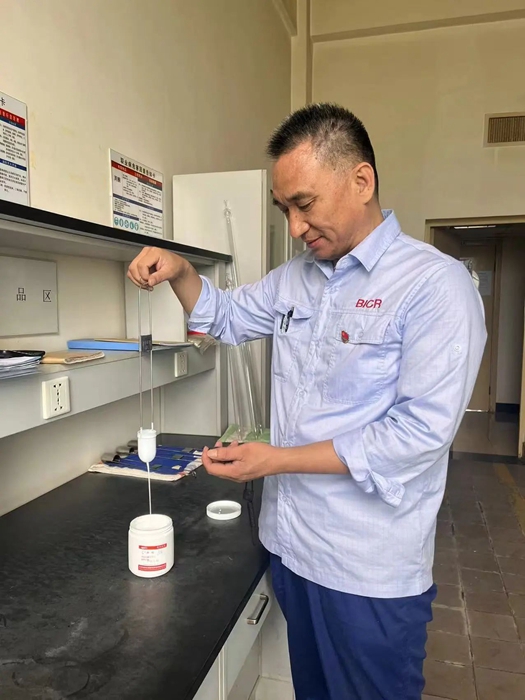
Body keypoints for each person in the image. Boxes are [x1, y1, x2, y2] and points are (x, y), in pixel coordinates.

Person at [128, 103, 486, 700]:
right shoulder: (296, 277)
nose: (295, 227)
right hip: (292, 548)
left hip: (366, 569)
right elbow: (227, 316)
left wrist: (275, 460)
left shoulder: (434, 285)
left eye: (304, 204)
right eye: (284, 209)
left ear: (361, 180)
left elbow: (418, 435)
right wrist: (182, 272)